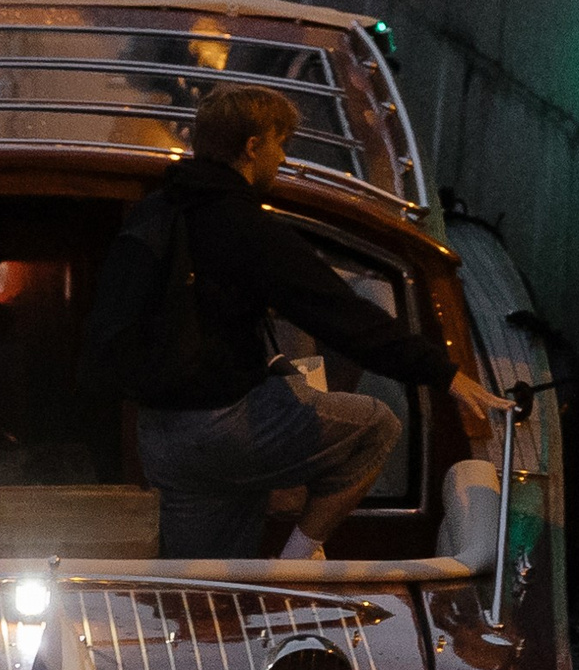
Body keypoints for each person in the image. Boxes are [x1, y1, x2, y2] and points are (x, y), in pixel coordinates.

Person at [128, 84, 509, 559]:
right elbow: (340, 314)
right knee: (377, 428)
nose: (284, 159)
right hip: (224, 429)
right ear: (253, 147)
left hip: (161, 439)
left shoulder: (153, 213)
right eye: (281, 144)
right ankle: (293, 567)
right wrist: (443, 372)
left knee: (205, 580)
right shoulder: (248, 227)